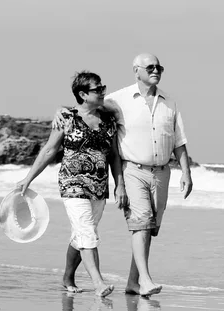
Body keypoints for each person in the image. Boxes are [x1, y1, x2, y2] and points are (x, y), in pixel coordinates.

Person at [53, 53, 193, 297]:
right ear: (136, 70)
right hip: (132, 170)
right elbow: (84, 105)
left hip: (161, 172)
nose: (156, 70)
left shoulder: (169, 102)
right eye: (150, 67)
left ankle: (133, 282)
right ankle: (139, 281)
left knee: (148, 227)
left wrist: (186, 172)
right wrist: (60, 109)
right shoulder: (118, 100)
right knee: (138, 224)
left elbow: (178, 140)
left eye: (159, 66)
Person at [17, 71, 127, 297]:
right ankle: (99, 283)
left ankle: (67, 277)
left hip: (99, 186)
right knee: (87, 233)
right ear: (83, 94)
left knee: (82, 235)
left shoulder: (109, 120)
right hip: (72, 185)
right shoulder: (66, 119)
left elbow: (114, 155)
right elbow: (49, 150)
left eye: (102, 87)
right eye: (98, 89)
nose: (103, 92)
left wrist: (120, 185)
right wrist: (28, 178)